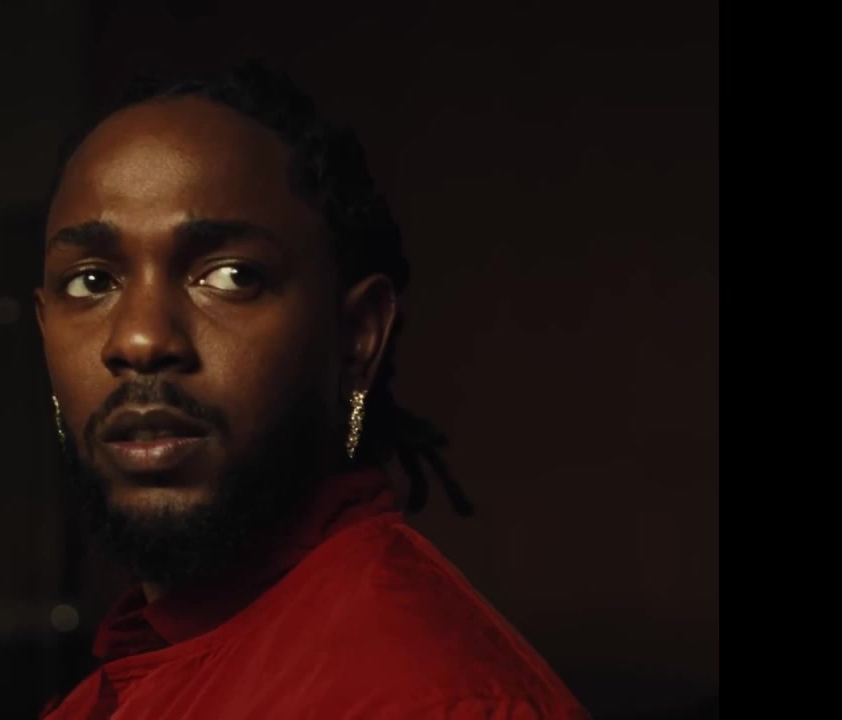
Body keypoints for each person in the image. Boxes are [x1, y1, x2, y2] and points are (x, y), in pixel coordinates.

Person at [34, 61, 588, 719]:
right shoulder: (151, 655)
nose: (140, 339)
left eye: (232, 276)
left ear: (356, 336)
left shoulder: (430, 702)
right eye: (91, 283)